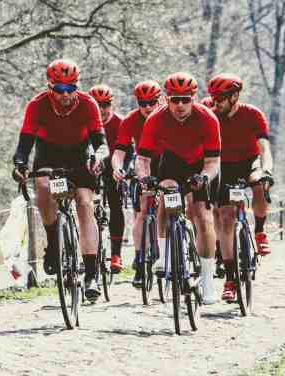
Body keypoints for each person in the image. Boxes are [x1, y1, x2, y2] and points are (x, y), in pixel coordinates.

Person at [12, 59, 109, 302]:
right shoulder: (37, 105)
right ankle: (54, 241)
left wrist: (98, 156)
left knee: (85, 204)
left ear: (78, 86)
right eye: (59, 90)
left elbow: (102, 144)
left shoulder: (88, 104)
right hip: (49, 153)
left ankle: (91, 273)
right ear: (49, 87)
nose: (65, 95)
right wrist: (20, 165)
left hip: (79, 155)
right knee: (43, 187)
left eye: (71, 89)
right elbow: (24, 145)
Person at [135, 72, 221, 304]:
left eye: (185, 99)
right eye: (175, 99)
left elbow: (213, 163)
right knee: (167, 195)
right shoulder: (156, 119)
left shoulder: (208, 118)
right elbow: (142, 160)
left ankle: (207, 278)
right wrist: (144, 179)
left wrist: (204, 178)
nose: (180, 105)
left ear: (193, 98)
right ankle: (163, 256)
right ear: (167, 99)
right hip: (172, 161)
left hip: (201, 164)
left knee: (203, 216)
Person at [202, 73, 274, 302]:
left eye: (220, 98)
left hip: (249, 162)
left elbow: (264, 148)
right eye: (213, 98)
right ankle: (231, 278)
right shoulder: (212, 117)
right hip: (223, 166)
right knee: (225, 218)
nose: (215, 102)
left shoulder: (253, 114)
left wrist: (267, 170)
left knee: (259, 182)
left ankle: (260, 230)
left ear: (234, 96)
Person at [111, 80, 162, 286]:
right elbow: (119, 151)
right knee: (143, 211)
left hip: (168, 161)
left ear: (160, 100)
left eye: (152, 102)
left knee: (170, 208)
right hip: (144, 164)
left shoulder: (168, 115)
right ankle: (141, 259)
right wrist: (117, 168)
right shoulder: (131, 120)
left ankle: (175, 248)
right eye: (143, 103)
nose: (147, 108)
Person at [88, 84, 126, 272]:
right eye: (97, 105)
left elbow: (129, 150)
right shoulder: (86, 121)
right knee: (86, 205)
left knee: (115, 202)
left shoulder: (120, 122)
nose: (102, 109)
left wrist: (124, 170)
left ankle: (116, 254)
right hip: (92, 165)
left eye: (106, 105)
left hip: (113, 167)